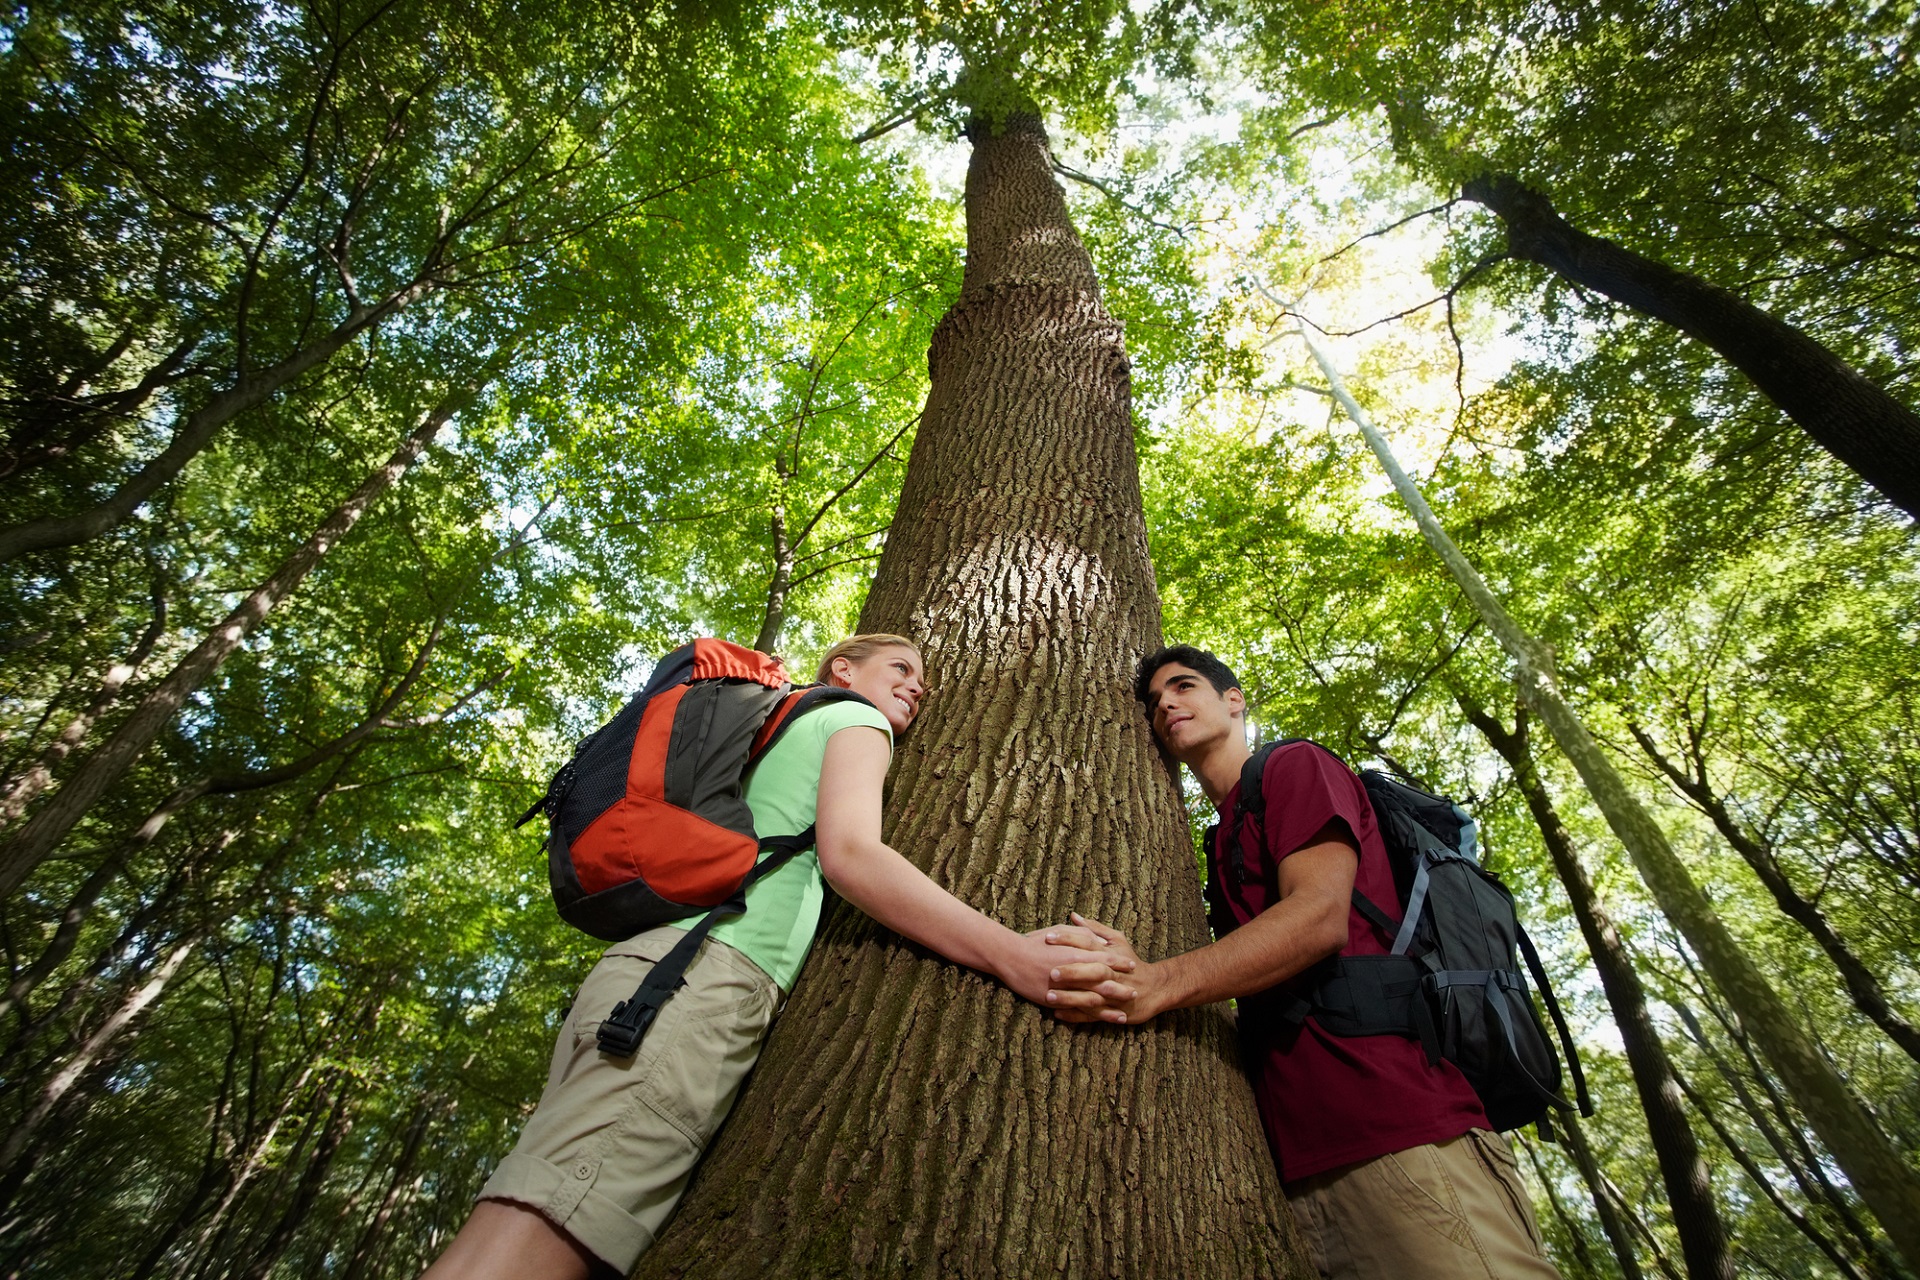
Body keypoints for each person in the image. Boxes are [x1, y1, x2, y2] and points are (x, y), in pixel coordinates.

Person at [425, 634, 1132, 1279]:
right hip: (698, 979)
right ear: (842, 670)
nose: (917, 687)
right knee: (536, 1238)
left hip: (650, 973)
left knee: (532, 1215)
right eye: (902, 668)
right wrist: (1011, 954)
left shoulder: (773, 733)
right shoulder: (854, 718)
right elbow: (853, 856)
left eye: (921, 680)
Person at [1049, 645, 1560, 1280]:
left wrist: (1158, 982)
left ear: (1235, 700)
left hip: (1403, 1134)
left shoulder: (1295, 766)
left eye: (1183, 687)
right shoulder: (1217, 836)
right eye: (1154, 703)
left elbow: (1320, 917)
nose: (1166, 705)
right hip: (1291, 1173)